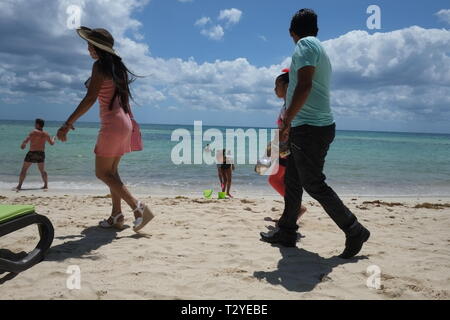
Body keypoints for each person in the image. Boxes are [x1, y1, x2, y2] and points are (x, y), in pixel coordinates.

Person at [260, 9, 370, 259]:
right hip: (309, 127)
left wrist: (287, 118)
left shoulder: (306, 45)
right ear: (316, 28)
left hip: (311, 128)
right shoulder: (317, 45)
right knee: (293, 182)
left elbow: (305, 84)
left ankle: (354, 230)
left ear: (291, 32)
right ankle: (286, 232)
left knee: (313, 183)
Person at [56, 26, 153, 232]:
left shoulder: (100, 67)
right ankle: (116, 216)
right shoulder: (118, 68)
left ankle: (139, 208)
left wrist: (67, 123)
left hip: (112, 124)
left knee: (102, 173)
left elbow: (90, 98)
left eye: (90, 45)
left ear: (98, 47)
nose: (88, 49)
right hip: (125, 121)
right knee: (112, 172)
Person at [267, 70, 307, 222]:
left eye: (277, 85)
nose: (274, 89)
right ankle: (293, 210)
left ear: (287, 86)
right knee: (280, 180)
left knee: (274, 180)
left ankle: (297, 208)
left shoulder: (290, 105)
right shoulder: (287, 105)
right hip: (284, 148)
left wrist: (275, 147)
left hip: (287, 149)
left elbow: (288, 129)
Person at [15, 118, 55, 191]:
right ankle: (45, 185)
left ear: (37, 124)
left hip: (32, 153)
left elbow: (26, 141)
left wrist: (23, 145)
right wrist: (53, 138)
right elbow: (52, 143)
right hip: (41, 153)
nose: (34, 125)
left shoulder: (33, 132)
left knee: (24, 169)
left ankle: (19, 186)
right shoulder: (46, 134)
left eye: (35, 123)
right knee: (42, 170)